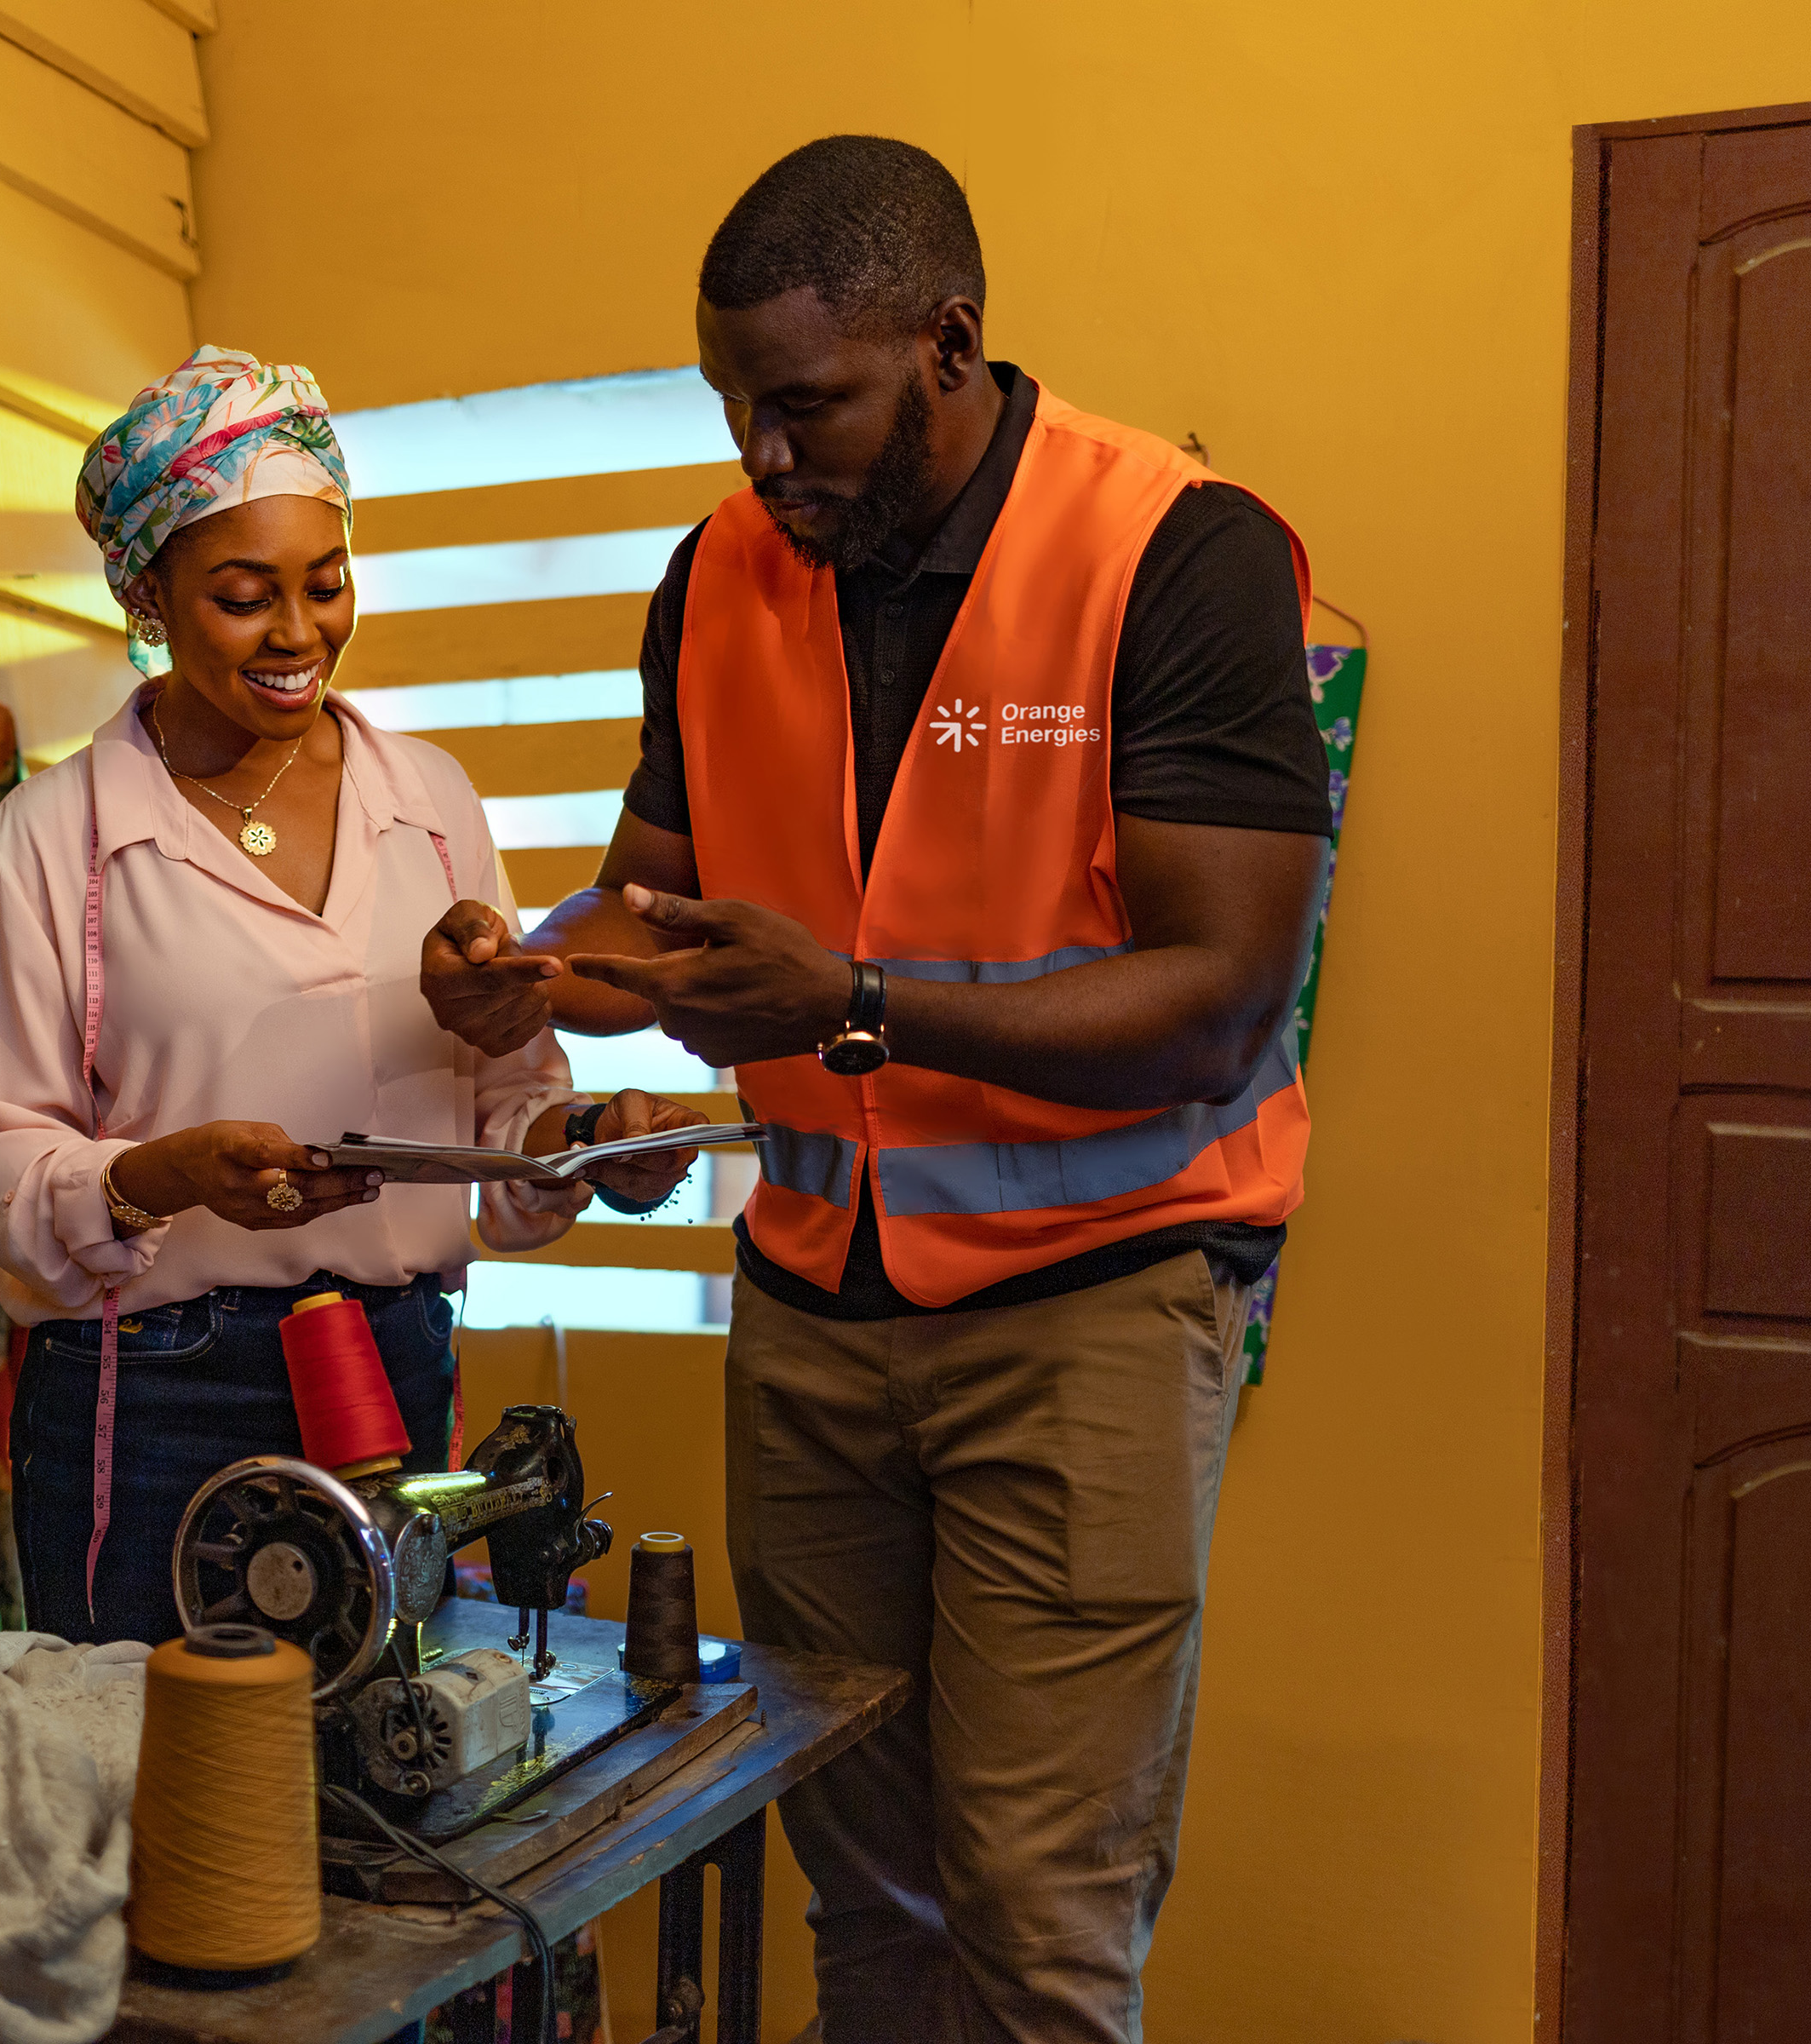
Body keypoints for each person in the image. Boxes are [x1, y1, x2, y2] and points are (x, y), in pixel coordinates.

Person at [421, 140, 1332, 2043]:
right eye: (734, 407)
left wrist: (855, 1003)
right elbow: (654, 899)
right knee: (860, 1879)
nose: (763, 454)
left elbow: (1224, 1002)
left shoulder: (1176, 548)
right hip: (815, 1323)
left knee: (1036, 1906)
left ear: (951, 344)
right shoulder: (718, 575)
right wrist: (531, 957)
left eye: (804, 404)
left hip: (1090, 1311)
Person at [0, 347, 706, 1646]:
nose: (299, 635)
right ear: (150, 593)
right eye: (244, 598)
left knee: (380, 1770)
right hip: (154, 1394)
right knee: (150, 1786)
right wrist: (165, 1175)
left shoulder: (432, 804)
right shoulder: (53, 838)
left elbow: (509, 1112)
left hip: (391, 1362)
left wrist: (588, 1151)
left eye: (327, 583)